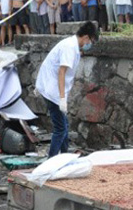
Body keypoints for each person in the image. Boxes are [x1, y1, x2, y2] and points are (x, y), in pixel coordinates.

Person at [35, 21, 99, 157]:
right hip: (52, 91)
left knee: (64, 127)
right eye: (91, 41)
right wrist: (62, 98)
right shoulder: (70, 47)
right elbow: (61, 72)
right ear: (86, 37)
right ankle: (51, 160)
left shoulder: (73, 46)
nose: (89, 45)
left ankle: (64, 156)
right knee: (60, 129)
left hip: (51, 88)